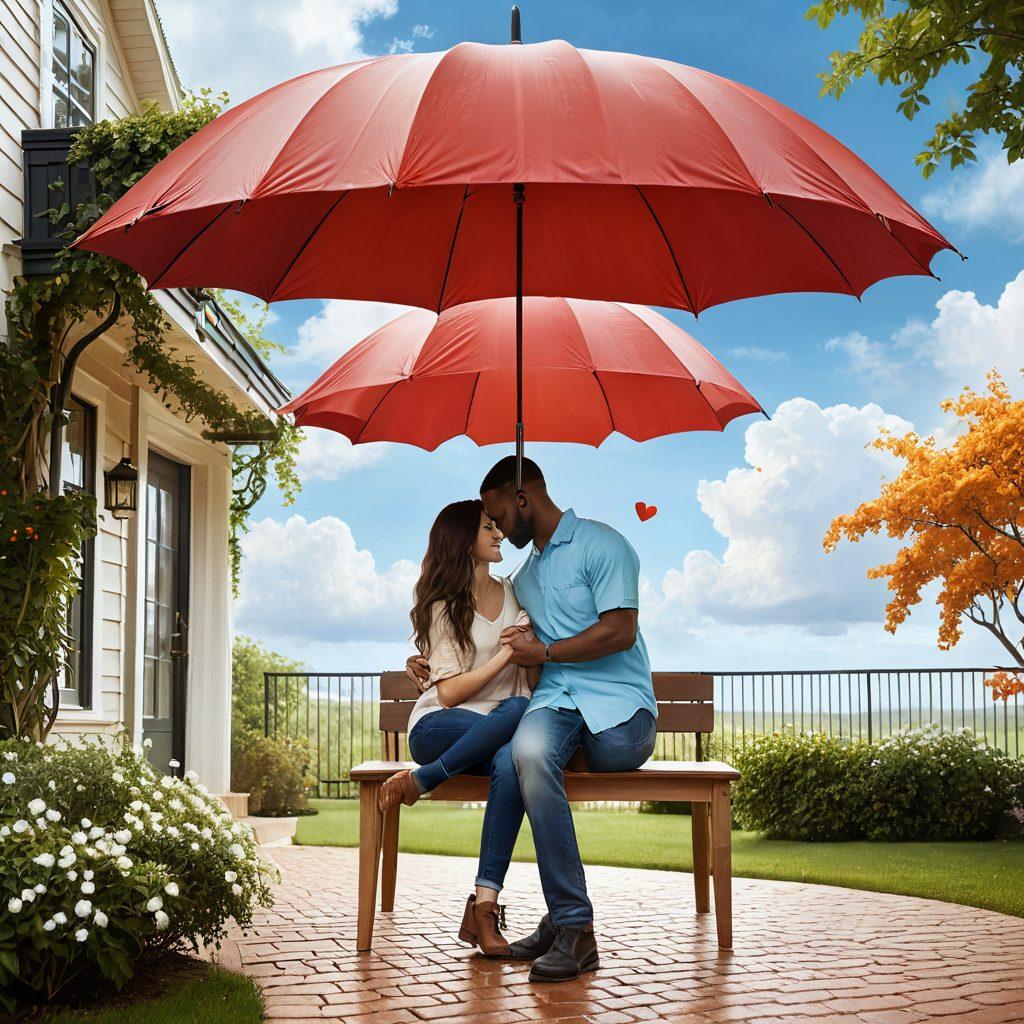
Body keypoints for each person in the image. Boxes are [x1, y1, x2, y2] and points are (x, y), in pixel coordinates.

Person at [407, 457, 657, 983]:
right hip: (555, 706)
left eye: (497, 513)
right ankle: (573, 927)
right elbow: (469, 621)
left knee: (565, 752)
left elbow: (619, 632)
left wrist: (542, 653)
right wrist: (424, 660)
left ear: (521, 499)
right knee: (528, 755)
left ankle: (552, 920)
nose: (496, 525)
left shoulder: (603, 544)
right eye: (487, 522)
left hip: (619, 711)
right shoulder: (526, 577)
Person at [383, 498, 538, 958]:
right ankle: (424, 774)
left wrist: (530, 654)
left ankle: (484, 908)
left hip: (499, 732)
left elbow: (530, 675)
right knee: (512, 713)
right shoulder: (444, 605)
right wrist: (507, 654)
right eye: (489, 528)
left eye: (498, 525)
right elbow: (448, 693)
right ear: (464, 542)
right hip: (439, 727)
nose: (499, 534)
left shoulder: (515, 594)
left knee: (512, 741)